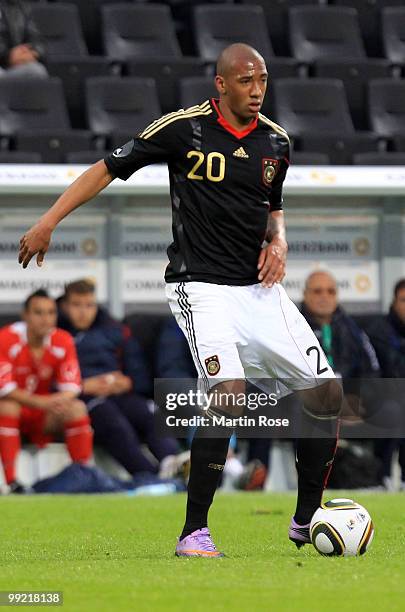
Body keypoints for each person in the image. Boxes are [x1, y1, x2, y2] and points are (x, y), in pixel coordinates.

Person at [18, 43, 343, 557]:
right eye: (245, 81)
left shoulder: (276, 142)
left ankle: (305, 520)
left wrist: (278, 242)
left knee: (326, 393)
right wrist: (48, 220)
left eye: (263, 81)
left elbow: (273, 207)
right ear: (221, 84)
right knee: (229, 392)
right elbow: (106, 166)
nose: (257, 91)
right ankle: (194, 530)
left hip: (258, 289)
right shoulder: (182, 128)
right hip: (200, 286)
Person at [59, 279, 182, 479]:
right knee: (114, 422)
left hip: (119, 393)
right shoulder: (56, 333)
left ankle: (173, 463)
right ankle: (150, 477)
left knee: (150, 413)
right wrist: (80, 386)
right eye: (76, 305)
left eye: (89, 305)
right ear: (64, 306)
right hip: (83, 398)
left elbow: (138, 371)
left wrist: (128, 382)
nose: (83, 312)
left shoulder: (115, 329)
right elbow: (47, 378)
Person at [0, 289, 92, 492]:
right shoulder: (6, 338)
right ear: (25, 315)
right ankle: (11, 482)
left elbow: (72, 387)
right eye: (39, 313)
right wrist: (44, 402)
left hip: (44, 412)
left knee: (76, 408)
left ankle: (84, 476)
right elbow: (4, 388)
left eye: (51, 313)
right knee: (7, 406)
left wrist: (52, 402)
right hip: (17, 410)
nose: (46, 319)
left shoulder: (63, 339)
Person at [367, 278, 405, 490]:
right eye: (404, 300)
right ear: (394, 302)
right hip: (381, 397)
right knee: (394, 409)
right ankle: (383, 477)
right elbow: (390, 371)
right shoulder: (379, 331)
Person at [0, 0, 47, 78]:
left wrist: (32, 52)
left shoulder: (21, 7)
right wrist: (8, 56)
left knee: (37, 71)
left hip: (12, 65)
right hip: (4, 61)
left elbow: (36, 38)